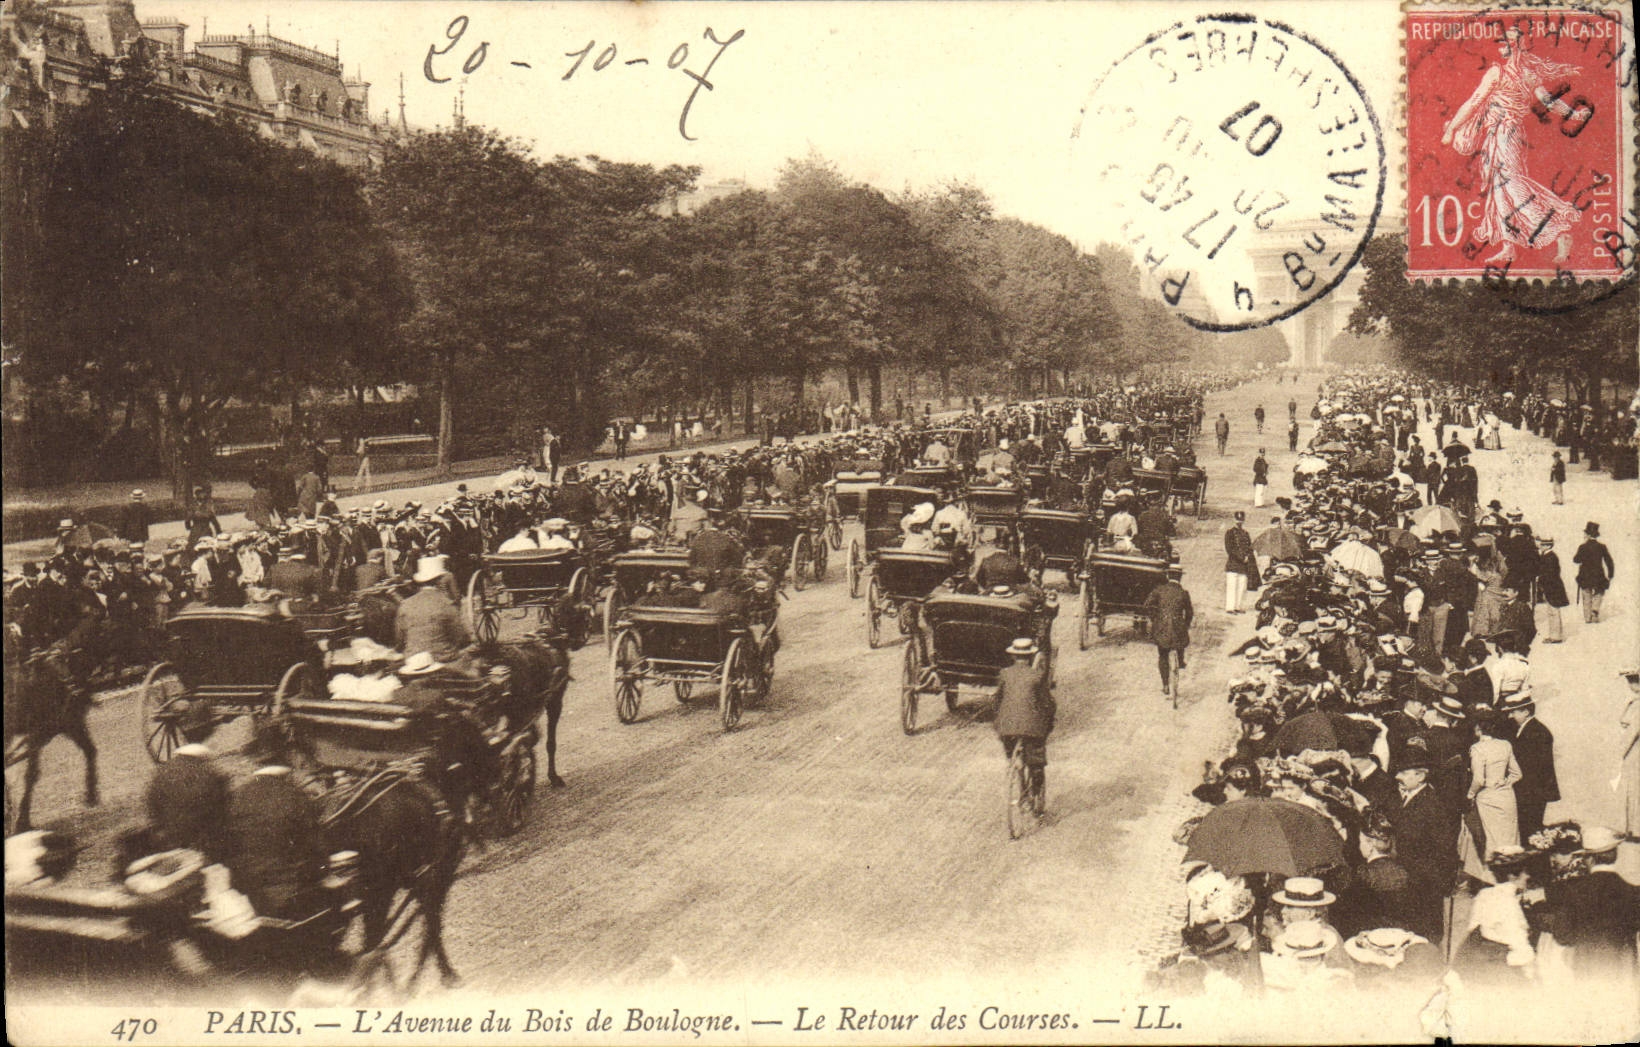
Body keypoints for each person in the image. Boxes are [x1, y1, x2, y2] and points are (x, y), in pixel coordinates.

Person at [1440, 25, 1583, 266]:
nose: (1500, 47)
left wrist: (1452, 128)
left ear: (1514, 46)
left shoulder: (1498, 73)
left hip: (1505, 135)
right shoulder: (1526, 75)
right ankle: (1509, 247)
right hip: (1502, 136)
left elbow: (1473, 103)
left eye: (1504, 43)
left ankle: (1559, 233)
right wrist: (1573, 114)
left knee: (1513, 187)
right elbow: (1548, 102)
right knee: (1499, 191)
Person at [225, 724, 326, 925]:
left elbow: (229, 847)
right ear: (287, 757)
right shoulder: (296, 797)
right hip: (290, 897)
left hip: (249, 895)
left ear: (257, 761)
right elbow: (317, 852)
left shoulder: (238, 796)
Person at [1388, 749, 1456, 942]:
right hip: (1413, 879)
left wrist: (1443, 883)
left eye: (1403, 773)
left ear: (1420, 775)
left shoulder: (1431, 805)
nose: (1397, 777)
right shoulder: (1412, 797)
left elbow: (1445, 848)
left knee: (1423, 935)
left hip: (1424, 884)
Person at [1458, 711, 1523, 884]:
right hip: (1507, 797)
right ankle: (1514, 880)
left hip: (1488, 798)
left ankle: (1495, 881)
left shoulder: (1478, 748)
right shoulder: (1505, 745)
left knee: (1492, 840)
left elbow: (1478, 779)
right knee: (1510, 838)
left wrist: (1470, 794)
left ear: (1478, 728)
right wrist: (1505, 782)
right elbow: (1517, 774)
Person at [143, 738, 229, 861]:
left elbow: (152, 808)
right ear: (202, 759)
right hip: (202, 840)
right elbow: (221, 811)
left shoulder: (160, 774)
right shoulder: (210, 775)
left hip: (168, 838)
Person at [995, 638, 1053, 810]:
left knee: (1011, 753)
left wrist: (998, 722)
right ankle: (1036, 796)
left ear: (1013, 656)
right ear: (1030, 657)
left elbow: (997, 700)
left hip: (1007, 727)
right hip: (1031, 728)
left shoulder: (1004, 673)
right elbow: (1047, 703)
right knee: (1037, 762)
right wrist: (1049, 723)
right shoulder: (1037, 676)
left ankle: (1015, 764)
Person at [394, 556, 472, 664]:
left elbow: (399, 639)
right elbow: (460, 637)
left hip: (413, 660)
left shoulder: (405, 604)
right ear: (439, 579)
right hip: (443, 658)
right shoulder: (447, 604)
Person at [1501, 690, 1557, 840]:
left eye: (1513, 712)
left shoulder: (1537, 732)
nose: (1510, 716)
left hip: (1532, 792)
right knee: (1528, 831)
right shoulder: (1526, 729)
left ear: (1526, 711)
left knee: (1530, 831)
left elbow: (1532, 767)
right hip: (1529, 791)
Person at [1142, 563, 1192, 696]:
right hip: (1178, 627)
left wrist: (1155, 619)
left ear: (1168, 576)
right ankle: (1180, 661)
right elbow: (1189, 613)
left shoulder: (1159, 590)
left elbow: (1147, 605)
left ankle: (1165, 685)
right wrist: (1185, 625)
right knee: (1180, 640)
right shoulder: (1183, 593)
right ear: (1180, 577)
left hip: (1162, 627)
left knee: (1163, 655)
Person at [1572, 520, 1614, 622]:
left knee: (1586, 594)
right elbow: (1609, 560)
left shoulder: (1583, 547)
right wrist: (1610, 574)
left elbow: (1576, 560)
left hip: (1585, 575)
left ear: (1587, 534)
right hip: (1598, 574)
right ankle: (1595, 610)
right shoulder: (1602, 547)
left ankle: (1587, 617)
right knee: (1599, 592)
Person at [1534, 536, 1568, 643]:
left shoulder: (1550, 557)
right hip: (1551, 587)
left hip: (1552, 587)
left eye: (1543, 545)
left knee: (1553, 612)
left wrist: (1540, 580)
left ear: (1548, 545)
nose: (1541, 546)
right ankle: (1554, 635)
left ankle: (1556, 637)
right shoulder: (1548, 556)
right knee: (1551, 611)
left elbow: (1550, 574)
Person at [1619, 668, 1640, 841]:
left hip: (1636, 751)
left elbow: (1632, 732)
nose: (1630, 684)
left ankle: (1636, 829)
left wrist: (1619, 752)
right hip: (1634, 751)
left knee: (1635, 790)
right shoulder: (1635, 701)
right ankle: (1632, 828)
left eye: (1632, 680)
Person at [1223, 511, 1256, 614]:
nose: (1239, 522)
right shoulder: (1230, 533)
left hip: (1243, 565)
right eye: (1237, 520)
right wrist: (1242, 557)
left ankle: (1238, 606)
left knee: (1242, 586)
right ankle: (1230, 607)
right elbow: (1229, 549)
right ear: (1234, 520)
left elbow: (1250, 547)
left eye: (1241, 520)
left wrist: (1248, 556)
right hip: (1233, 563)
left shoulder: (1246, 534)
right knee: (1232, 586)